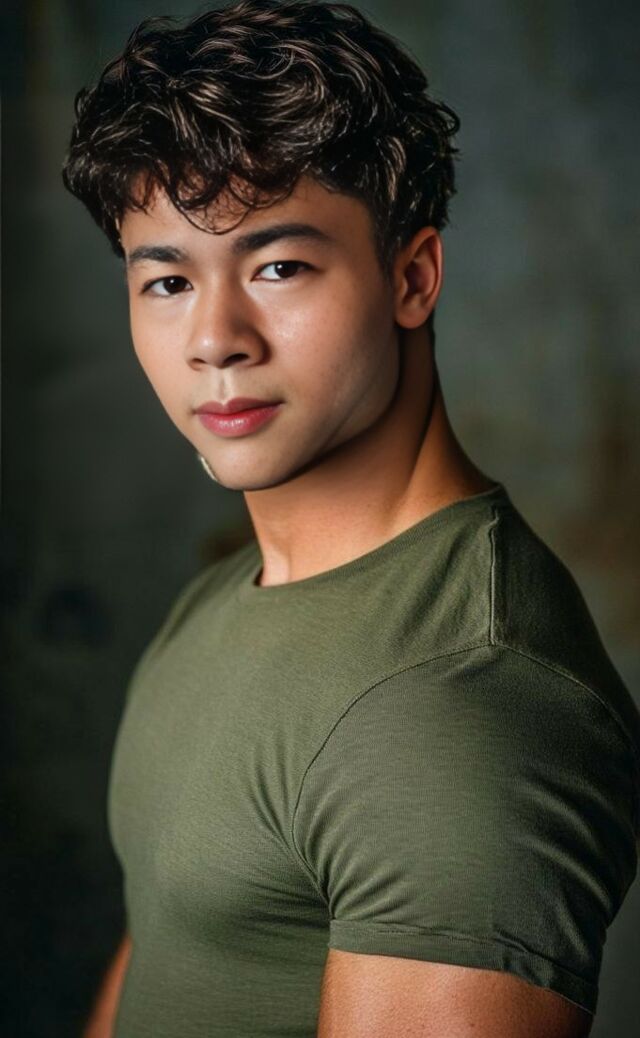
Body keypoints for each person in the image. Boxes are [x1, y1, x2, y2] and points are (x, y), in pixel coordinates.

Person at [61, 2, 640, 1036]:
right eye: (168, 279)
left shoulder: (459, 706)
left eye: (278, 266)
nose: (215, 338)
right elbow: (171, 956)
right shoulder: (225, 599)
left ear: (411, 278)